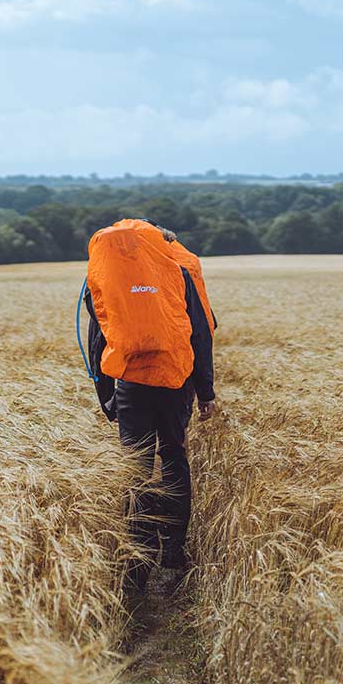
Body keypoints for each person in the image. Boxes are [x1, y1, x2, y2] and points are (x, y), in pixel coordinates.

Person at [84, 219, 216, 590]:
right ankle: (173, 552)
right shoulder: (177, 272)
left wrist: (107, 395)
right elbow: (200, 332)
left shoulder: (111, 279)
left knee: (136, 465)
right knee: (174, 455)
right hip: (175, 380)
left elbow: (100, 339)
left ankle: (137, 564)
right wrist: (205, 390)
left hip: (130, 384)